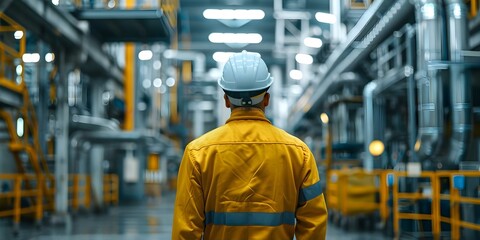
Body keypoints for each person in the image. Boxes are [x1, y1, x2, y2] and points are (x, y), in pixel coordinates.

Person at [172, 50, 327, 239]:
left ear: (227, 100)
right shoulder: (298, 152)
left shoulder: (197, 153)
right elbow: (314, 221)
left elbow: (186, 229)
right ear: (267, 99)